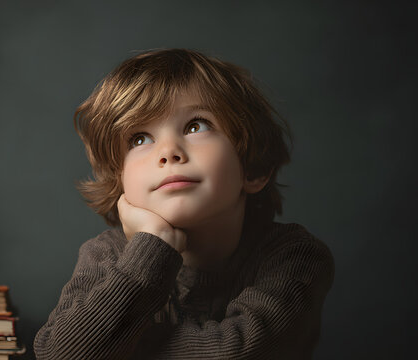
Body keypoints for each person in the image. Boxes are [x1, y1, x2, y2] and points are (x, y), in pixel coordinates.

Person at [34, 49, 335, 359]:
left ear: (253, 168)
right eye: (139, 138)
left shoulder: (295, 257)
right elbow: (60, 354)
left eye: (196, 126)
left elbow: (236, 352)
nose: (168, 152)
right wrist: (152, 248)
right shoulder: (107, 255)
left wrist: (126, 347)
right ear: (120, 178)